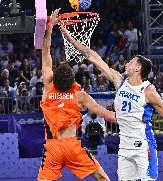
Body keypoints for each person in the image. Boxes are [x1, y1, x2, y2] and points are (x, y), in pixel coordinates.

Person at [61, 22, 163, 181]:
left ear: (138, 69)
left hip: (143, 146)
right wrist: (70, 39)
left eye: (131, 62)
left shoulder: (148, 91)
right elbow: (93, 56)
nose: (127, 63)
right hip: (124, 147)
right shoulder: (119, 81)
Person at [38, 9, 116, 181]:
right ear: (73, 80)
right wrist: (128, 118)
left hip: (53, 148)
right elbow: (105, 114)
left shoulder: (48, 85)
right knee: (102, 178)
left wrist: (50, 27)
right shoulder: (80, 95)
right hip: (72, 146)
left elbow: (45, 52)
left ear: (54, 78)